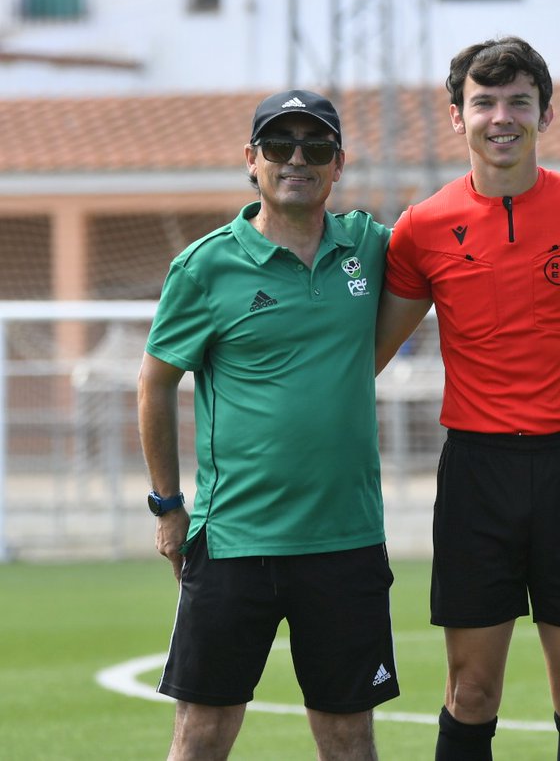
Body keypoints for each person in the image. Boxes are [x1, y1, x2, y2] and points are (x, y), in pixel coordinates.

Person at [374, 36, 560, 760]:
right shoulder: (422, 226)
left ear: (547, 113)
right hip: (476, 474)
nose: (501, 117)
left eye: (518, 102)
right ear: (456, 116)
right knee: (471, 691)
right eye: (484, 102)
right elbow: (366, 356)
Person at [137, 89, 397, 759]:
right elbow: (155, 382)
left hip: (345, 542)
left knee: (349, 736)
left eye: (316, 147)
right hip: (234, 541)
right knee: (203, 733)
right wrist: (168, 508)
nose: (297, 160)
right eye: (280, 146)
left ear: (338, 164)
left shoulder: (369, 247)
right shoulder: (204, 267)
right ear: (251, 160)